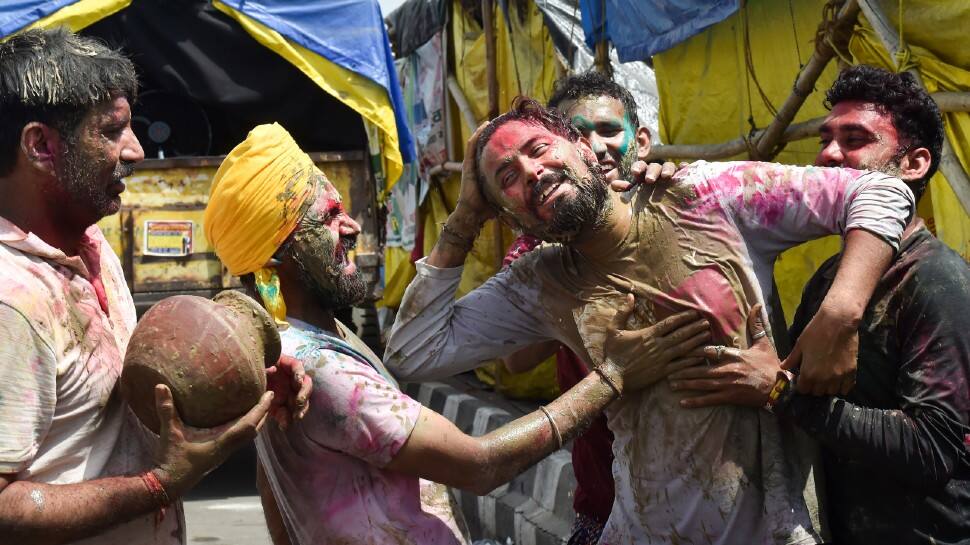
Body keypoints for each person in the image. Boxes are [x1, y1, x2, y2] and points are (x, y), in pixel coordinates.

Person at [384, 96, 918, 544]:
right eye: (508, 178)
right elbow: (412, 351)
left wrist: (839, 314)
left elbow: (881, 191)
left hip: (766, 529)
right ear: (512, 215)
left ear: (584, 148)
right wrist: (466, 216)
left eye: (538, 149)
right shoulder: (540, 281)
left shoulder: (703, 195)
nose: (532, 172)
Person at [202, 122, 710, 545]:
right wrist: (613, 376)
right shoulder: (320, 369)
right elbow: (480, 466)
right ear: (275, 256)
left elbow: (273, 486)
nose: (353, 226)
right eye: (329, 217)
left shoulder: (293, 343)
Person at [0, 28, 305, 545]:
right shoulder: (12, 300)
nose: (137, 150)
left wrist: (237, 383)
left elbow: (119, 409)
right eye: (111, 131)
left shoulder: (92, 246)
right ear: (41, 145)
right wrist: (159, 484)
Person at [667, 64, 970, 544]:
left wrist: (777, 392)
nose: (827, 155)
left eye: (855, 139)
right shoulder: (828, 279)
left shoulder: (936, 280)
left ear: (914, 165)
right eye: (826, 138)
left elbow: (934, 448)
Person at [498, 72, 676, 544]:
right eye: (577, 135)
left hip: (707, 494)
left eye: (609, 130)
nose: (596, 147)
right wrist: (567, 254)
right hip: (605, 505)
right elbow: (515, 358)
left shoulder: (676, 203)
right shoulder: (541, 248)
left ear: (641, 140)